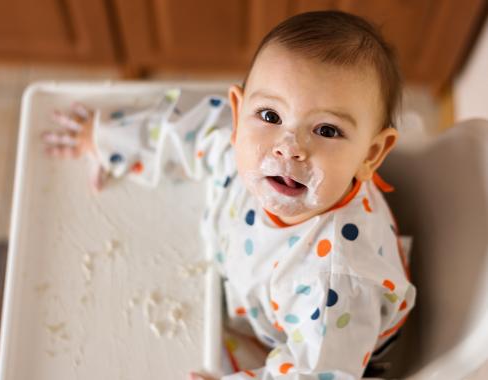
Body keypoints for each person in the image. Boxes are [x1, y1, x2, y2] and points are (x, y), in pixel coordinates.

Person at [43, 10, 416, 380]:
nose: (289, 147)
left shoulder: (336, 283)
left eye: (327, 130)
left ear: (370, 154)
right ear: (239, 113)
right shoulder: (238, 141)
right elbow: (185, 126)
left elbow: (316, 373)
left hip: (318, 346)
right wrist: (105, 137)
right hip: (249, 287)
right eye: (270, 116)